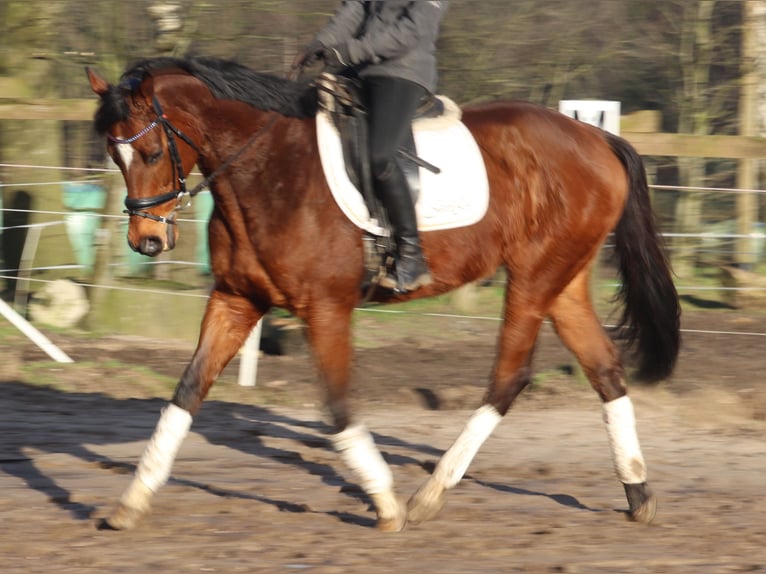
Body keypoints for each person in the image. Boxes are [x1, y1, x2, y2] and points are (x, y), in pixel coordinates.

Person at [293, 0, 448, 293]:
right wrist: (321, 44)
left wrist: (350, 50)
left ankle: (411, 255)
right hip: (358, 70)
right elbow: (355, 9)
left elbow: (412, 30)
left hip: (402, 71)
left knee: (380, 157)